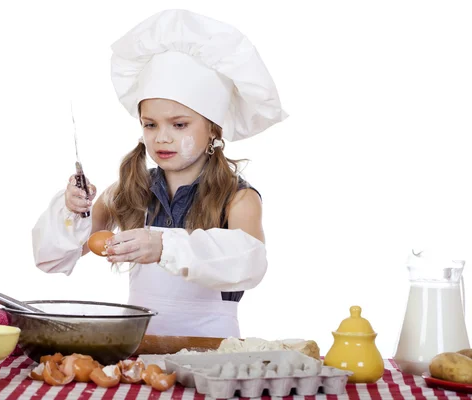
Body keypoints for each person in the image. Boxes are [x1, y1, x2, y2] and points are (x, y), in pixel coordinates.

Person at [32, 9, 287, 338]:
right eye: (150, 124)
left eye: (179, 124)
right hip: (139, 349)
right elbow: (52, 259)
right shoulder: (127, 192)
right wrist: (70, 212)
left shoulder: (239, 198)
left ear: (212, 128)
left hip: (211, 352)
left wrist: (165, 246)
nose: (162, 137)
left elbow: (250, 264)